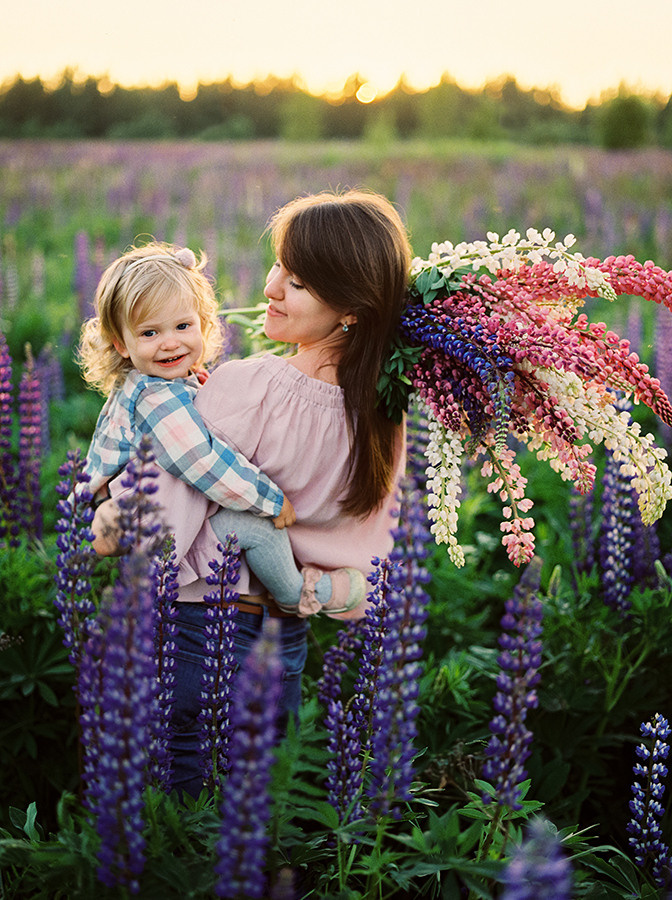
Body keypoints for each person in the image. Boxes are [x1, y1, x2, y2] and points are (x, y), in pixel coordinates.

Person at [93, 190, 412, 796]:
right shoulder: (384, 413)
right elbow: (368, 546)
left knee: (186, 799)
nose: (269, 287)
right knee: (258, 801)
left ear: (349, 307)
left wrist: (107, 514)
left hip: (201, 621)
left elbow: (157, 511)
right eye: (278, 267)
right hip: (286, 635)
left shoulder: (248, 386)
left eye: (296, 281)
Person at [78, 240, 365, 616]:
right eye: (149, 333)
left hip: (145, 514)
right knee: (262, 531)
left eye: (183, 326)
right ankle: (299, 593)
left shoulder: (163, 383)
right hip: (147, 520)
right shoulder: (155, 398)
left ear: (204, 324)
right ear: (122, 345)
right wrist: (266, 498)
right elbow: (201, 460)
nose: (170, 343)